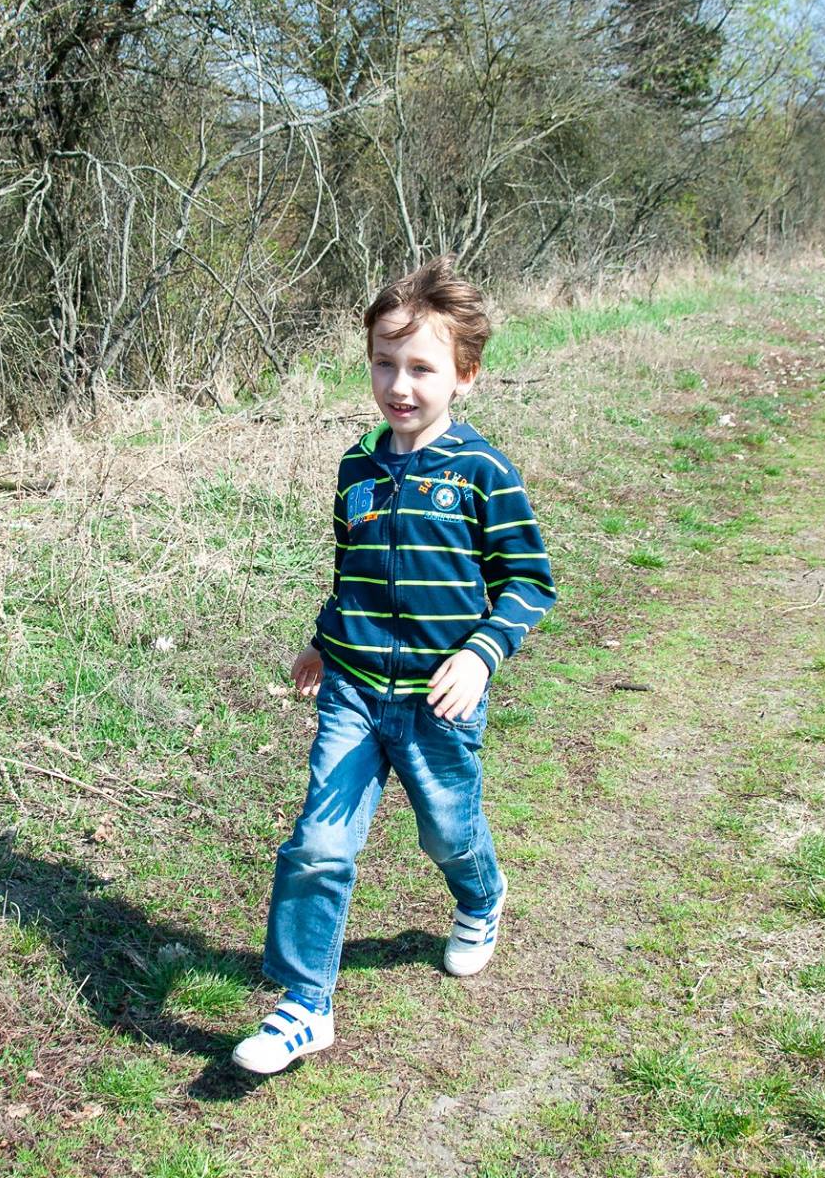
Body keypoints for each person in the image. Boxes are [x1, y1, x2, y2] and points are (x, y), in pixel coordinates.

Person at [233, 256, 555, 1076]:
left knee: (446, 829)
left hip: (438, 701)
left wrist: (482, 654)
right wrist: (323, 637)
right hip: (352, 691)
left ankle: (481, 896)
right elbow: (354, 572)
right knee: (318, 843)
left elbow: (529, 581)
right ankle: (305, 1005)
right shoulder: (358, 467)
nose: (399, 385)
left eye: (421, 368)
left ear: (465, 375)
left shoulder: (483, 474)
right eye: (384, 363)